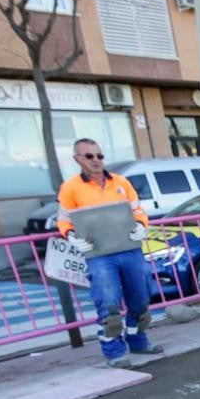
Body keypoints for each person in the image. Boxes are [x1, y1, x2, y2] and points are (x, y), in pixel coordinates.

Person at [57, 138, 161, 368]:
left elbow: (137, 211)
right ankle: (114, 351)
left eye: (99, 155)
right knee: (108, 301)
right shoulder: (71, 187)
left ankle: (138, 341)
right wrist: (71, 236)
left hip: (129, 248)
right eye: (89, 156)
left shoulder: (121, 182)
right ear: (77, 159)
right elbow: (63, 219)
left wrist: (142, 226)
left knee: (141, 296)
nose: (96, 161)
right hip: (99, 254)